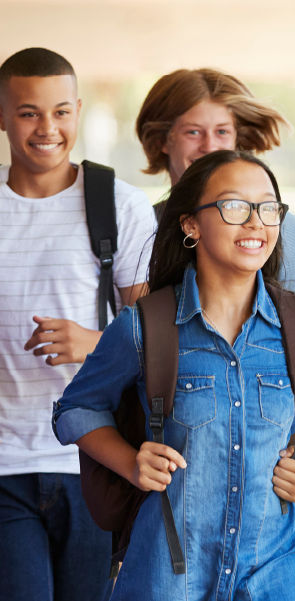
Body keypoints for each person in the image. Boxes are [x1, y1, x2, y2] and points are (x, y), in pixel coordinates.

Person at [52, 150, 295, 600]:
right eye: (235, 206)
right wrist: (131, 463)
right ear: (190, 225)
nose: (256, 222)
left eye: (268, 207)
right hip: (168, 577)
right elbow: (75, 409)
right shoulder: (144, 328)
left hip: (274, 575)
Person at [0, 48, 156, 601]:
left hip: (94, 461)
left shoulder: (118, 204)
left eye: (61, 112)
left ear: (79, 111)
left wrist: (95, 343)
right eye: (28, 113)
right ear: (2, 114)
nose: (48, 129)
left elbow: (153, 338)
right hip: (5, 463)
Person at [135, 68, 295, 317]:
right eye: (193, 132)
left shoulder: (292, 235)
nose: (209, 146)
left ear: (236, 140)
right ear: (162, 141)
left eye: (222, 132)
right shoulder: (136, 229)